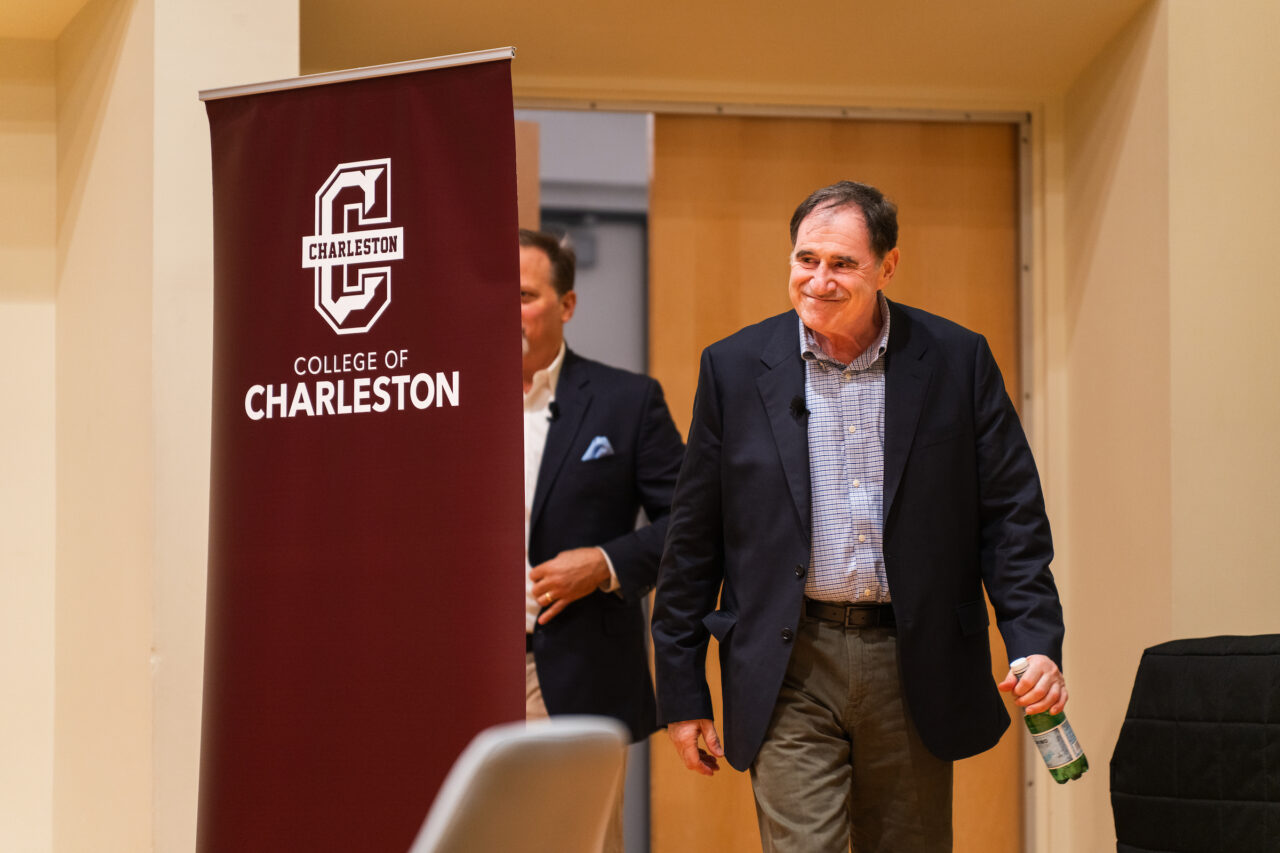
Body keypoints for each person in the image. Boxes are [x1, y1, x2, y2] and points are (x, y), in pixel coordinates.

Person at [651, 181, 1068, 851]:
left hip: (914, 658)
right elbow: (693, 537)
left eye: (842, 263)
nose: (819, 281)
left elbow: (1011, 516)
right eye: (806, 259)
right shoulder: (733, 368)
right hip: (789, 661)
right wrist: (682, 692)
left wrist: (1034, 640)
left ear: (887, 266)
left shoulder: (956, 359)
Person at [518, 228, 685, 853]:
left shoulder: (626, 402)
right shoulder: (441, 404)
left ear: (566, 305)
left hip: (571, 667)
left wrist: (606, 562)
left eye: (524, 296)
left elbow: (690, 523)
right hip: (457, 674)